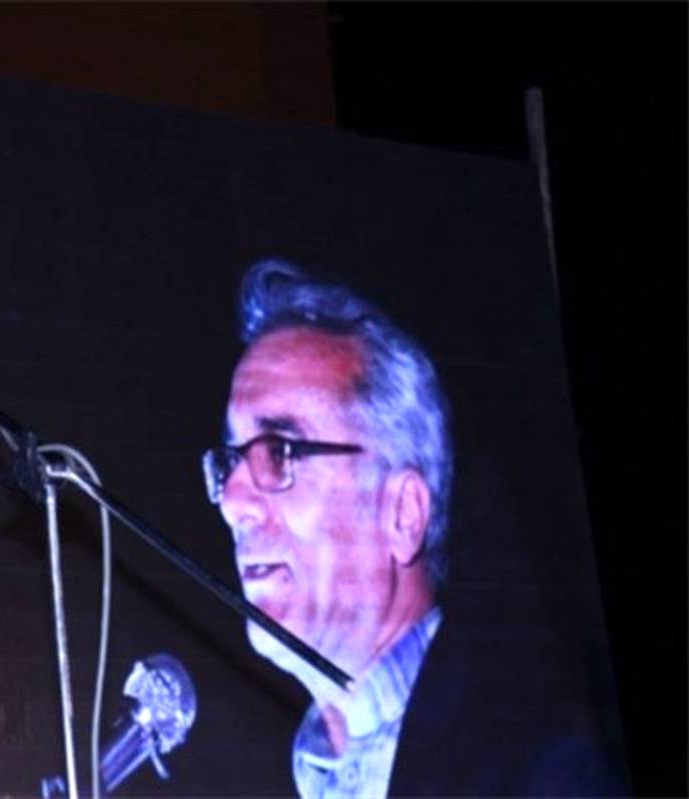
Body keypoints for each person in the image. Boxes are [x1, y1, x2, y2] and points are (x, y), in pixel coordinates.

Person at [201, 259, 625, 796]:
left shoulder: (548, 758)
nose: (233, 501)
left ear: (402, 513)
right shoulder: (310, 770)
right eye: (231, 461)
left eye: (280, 451)